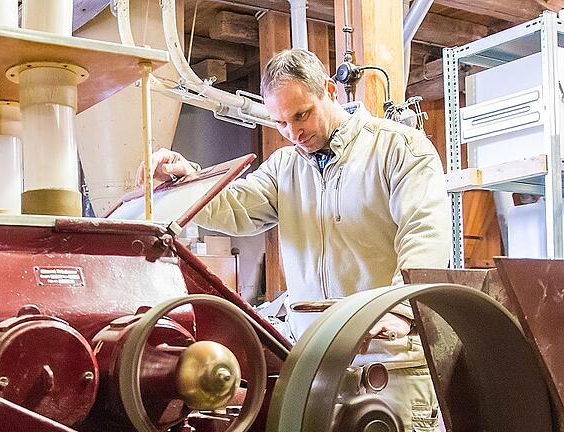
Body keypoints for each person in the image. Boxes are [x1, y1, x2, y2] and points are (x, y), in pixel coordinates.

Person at [140, 48, 450, 431]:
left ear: (331, 91)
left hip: (388, 364)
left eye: (301, 115)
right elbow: (235, 206)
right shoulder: (285, 167)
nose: (293, 132)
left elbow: (425, 234)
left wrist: (399, 311)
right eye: (280, 122)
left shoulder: (399, 149)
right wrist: (186, 180)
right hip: (319, 365)